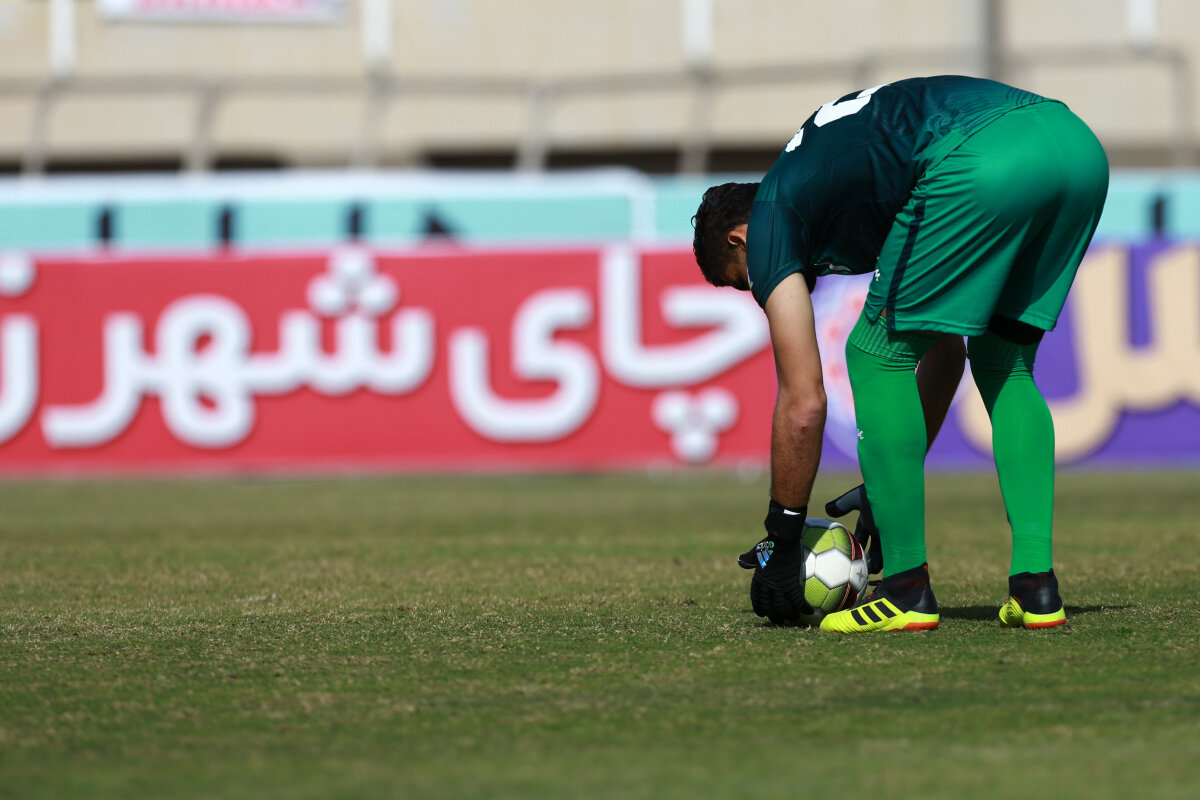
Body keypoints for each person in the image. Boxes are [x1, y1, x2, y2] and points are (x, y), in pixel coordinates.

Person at [691, 75, 1108, 633]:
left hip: (981, 157)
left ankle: (908, 592)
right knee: (1002, 360)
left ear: (741, 240)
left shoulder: (771, 218)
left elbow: (804, 401)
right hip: (1075, 148)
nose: (759, 289)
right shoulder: (853, 189)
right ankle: (1037, 589)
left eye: (744, 281)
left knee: (870, 355)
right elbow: (945, 353)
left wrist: (782, 537)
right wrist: (889, 487)